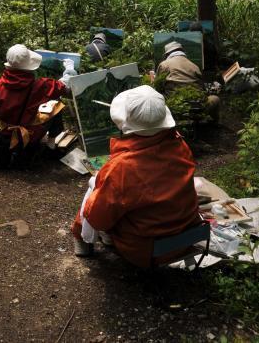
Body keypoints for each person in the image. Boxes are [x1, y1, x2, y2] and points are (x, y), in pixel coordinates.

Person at [71, 85, 201, 267]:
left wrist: (99, 183)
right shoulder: (179, 145)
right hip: (186, 237)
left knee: (95, 188)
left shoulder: (122, 167)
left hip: (145, 249)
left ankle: (81, 240)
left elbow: (98, 218)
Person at [0, 44, 70, 168]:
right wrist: (69, 69)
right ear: (29, 66)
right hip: (30, 133)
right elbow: (65, 87)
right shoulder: (41, 85)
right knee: (57, 105)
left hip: (6, 133)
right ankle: (50, 146)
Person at [156, 41, 220, 120]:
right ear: (182, 51)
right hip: (197, 107)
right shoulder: (194, 66)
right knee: (215, 99)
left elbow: (158, 86)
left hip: (174, 106)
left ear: (167, 54)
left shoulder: (164, 64)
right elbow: (202, 88)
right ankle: (212, 125)